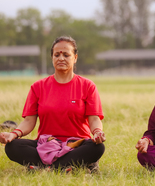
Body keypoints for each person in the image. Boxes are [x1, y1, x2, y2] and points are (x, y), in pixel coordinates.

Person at [0, 36, 105, 172]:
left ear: (75, 58)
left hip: (76, 145)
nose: (61, 58)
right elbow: (29, 121)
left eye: (66, 55)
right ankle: (66, 167)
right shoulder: (38, 86)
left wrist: (97, 133)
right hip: (46, 145)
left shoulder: (87, 86)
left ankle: (44, 167)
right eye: (57, 55)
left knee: (97, 147)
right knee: (12, 147)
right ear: (52, 58)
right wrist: (13, 134)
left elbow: (94, 119)